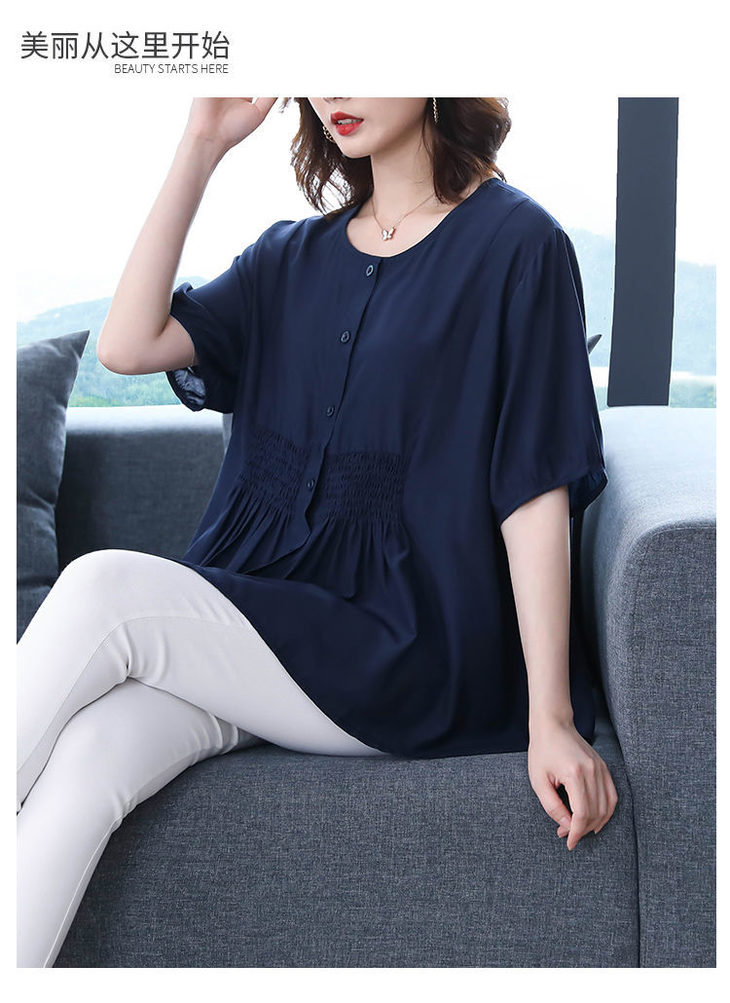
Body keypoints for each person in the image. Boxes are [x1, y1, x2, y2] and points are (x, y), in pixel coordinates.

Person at [17, 97, 618, 968]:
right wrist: (202, 142)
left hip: (406, 642)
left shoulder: (519, 246)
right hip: (268, 635)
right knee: (91, 755)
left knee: (103, 590)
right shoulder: (290, 257)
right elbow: (128, 343)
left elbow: (534, 489)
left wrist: (550, 715)